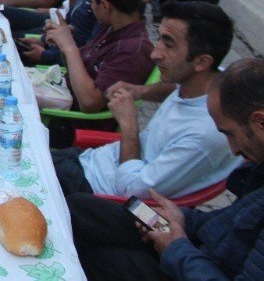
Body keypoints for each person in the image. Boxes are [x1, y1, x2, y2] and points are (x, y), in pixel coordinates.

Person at [66, 56, 264, 281]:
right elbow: (225, 222)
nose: (234, 150)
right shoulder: (257, 167)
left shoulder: (204, 140)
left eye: (229, 133)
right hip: (190, 249)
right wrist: (181, 217)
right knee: (79, 206)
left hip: (188, 263)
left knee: (93, 255)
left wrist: (176, 248)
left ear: (260, 122)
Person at [52, 0, 239, 201]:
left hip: (92, 190)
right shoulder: (213, 79)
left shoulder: (203, 137)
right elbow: (174, 88)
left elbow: (133, 191)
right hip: (90, 159)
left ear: (201, 61)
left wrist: (128, 124)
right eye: (159, 38)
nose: (155, 53)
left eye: (168, 44)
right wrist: (140, 91)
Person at [45, 0, 154, 114]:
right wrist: (63, 42)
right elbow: (76, 69)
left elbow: (89, 103)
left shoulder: (132, 51)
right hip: (62, 95)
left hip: (73, 124)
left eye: (92, 3)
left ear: (105, 6)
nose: (92, 8)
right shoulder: (113, 27)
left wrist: (69, 47)